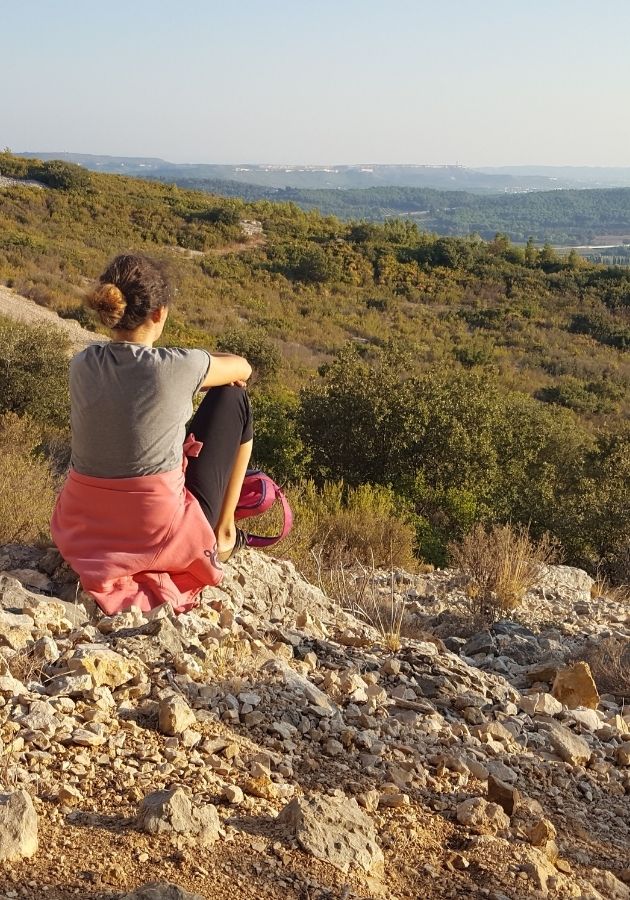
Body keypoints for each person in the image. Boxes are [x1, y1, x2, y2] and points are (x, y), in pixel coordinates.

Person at [51, 253, 253, 616]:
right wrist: (200, 369)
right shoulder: (178, 366)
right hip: (154, 531)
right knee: (233, 396)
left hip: (81, 528)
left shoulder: (82, 363)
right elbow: (243, 367)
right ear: (159, 314)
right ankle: (224, 533)